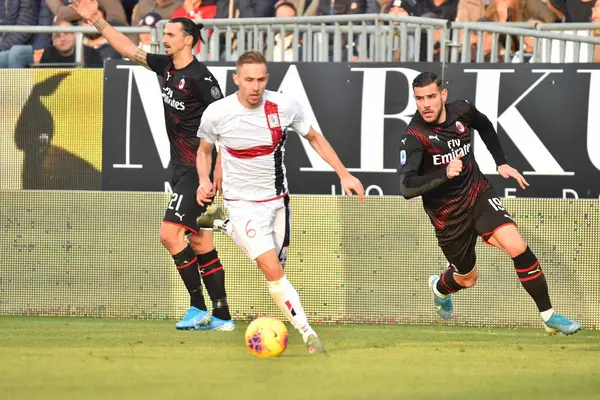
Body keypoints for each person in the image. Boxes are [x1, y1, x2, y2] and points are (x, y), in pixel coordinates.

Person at [69, 0, 233, 331]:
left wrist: (214, 176)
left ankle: (198, 307)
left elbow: (227, 129)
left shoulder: (202, 78)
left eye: (171, 33)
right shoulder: (166, 66)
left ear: (188, 39)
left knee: (169, 235)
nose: (165, 38)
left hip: (196, 172)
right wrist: (98, 20)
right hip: (182, 169)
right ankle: (222, 316)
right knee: (200, 242)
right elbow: (129, 50)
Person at [195, 51, 366, 353]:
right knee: (273, 271)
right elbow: (205, 150)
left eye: (261, 79)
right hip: (241, 202)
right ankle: (308, 333)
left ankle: (225, 224)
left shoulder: (283, 106)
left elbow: (315, 137)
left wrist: (344, 174)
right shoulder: (217, 113)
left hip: (277, 201)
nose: (255, 86)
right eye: (248, 80)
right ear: (236, 79)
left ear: (267, 80)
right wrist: (205, 180)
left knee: (278, 264)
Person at [399, 72, 581, 336]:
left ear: (443, 95)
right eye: (419, 99)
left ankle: (548, 315)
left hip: (478, 194)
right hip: (448, 217)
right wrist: (444, 173)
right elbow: (406, 187)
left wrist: (501, 161)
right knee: (468, 279)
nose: (425, 104)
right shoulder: (414, 136)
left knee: (517, 245)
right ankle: (440, 287)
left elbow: (484, 125)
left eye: (431, 97)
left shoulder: (462, 111)